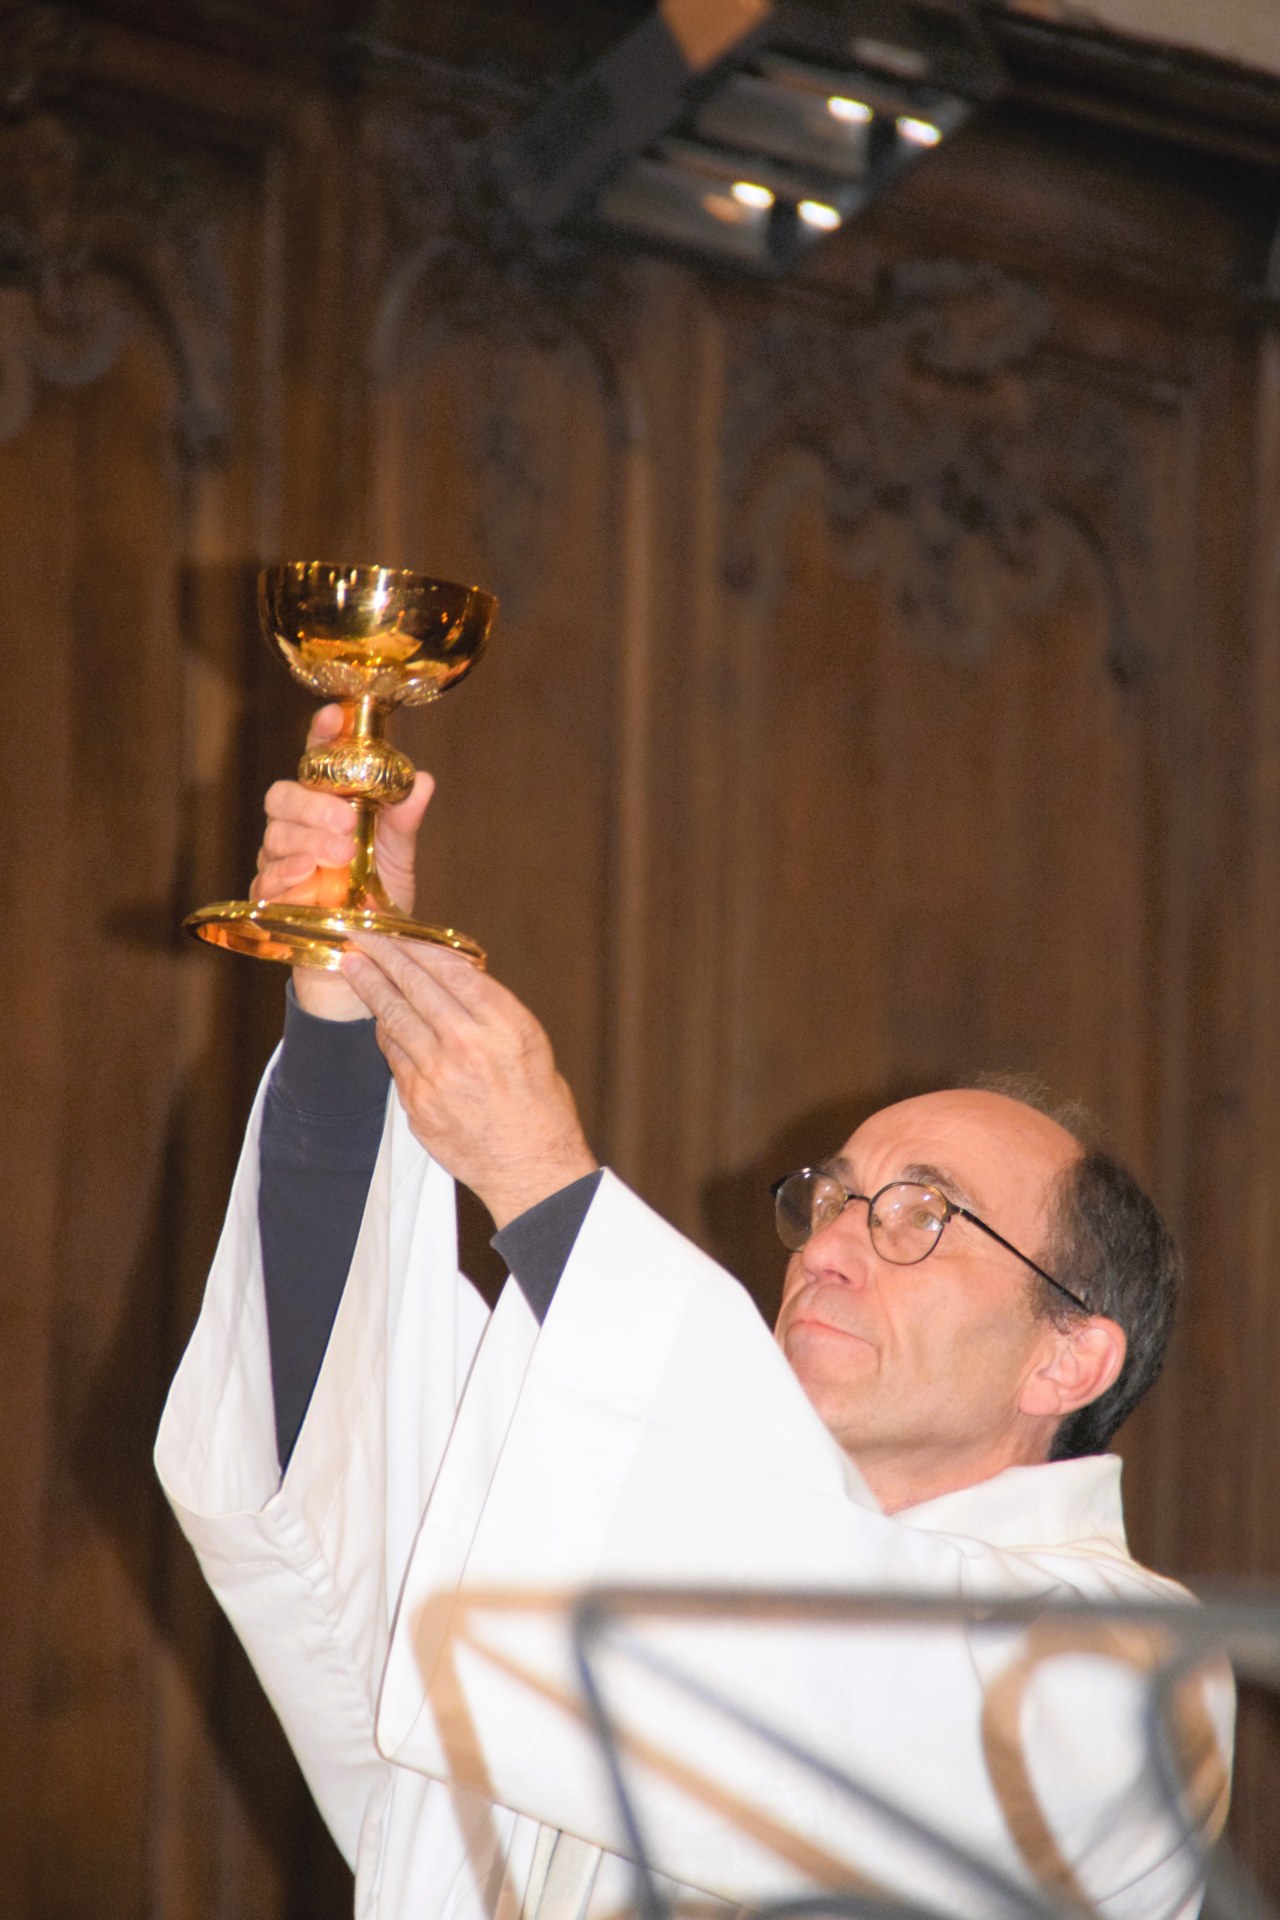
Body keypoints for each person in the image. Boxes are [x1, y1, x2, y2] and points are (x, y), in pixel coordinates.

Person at [156, 710, 1232, 1920]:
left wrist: (545, 1186)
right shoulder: (588, 1522)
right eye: (831, 1200)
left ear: (1067, 1355)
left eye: (921, 1214)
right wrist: (350, 992)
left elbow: (832, 1676)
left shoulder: (1131, 1675)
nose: (826, 1246)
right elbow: (338, 1435)